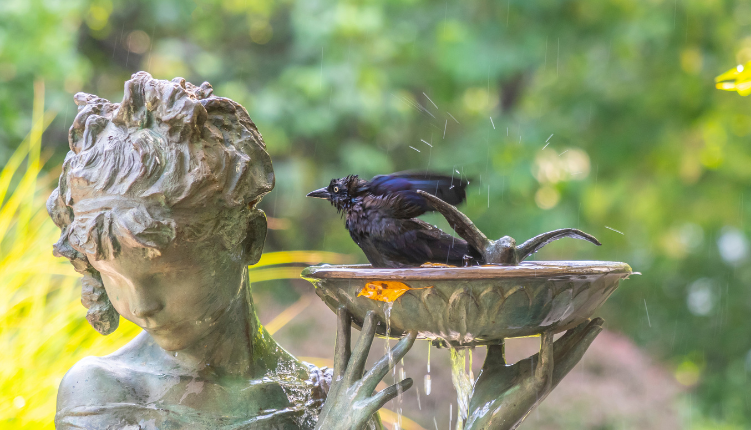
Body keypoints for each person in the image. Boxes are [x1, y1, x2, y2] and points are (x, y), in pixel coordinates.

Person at [49, 72, 603, 430]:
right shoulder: (106, 394)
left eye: (163, 270)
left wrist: (479, 422)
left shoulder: (326, 395)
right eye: (111, 274)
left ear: (248, 239)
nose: (140, 304)